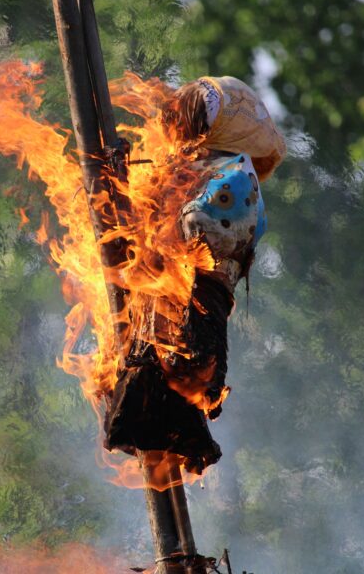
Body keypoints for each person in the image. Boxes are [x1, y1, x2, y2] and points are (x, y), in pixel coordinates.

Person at [104, 76, 287, 474]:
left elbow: (184, 235)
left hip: (190, 319)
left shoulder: (236, 180)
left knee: (166, 397)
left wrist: (134, 191)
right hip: (171, 311)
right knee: (145, 402)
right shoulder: (209, 172)